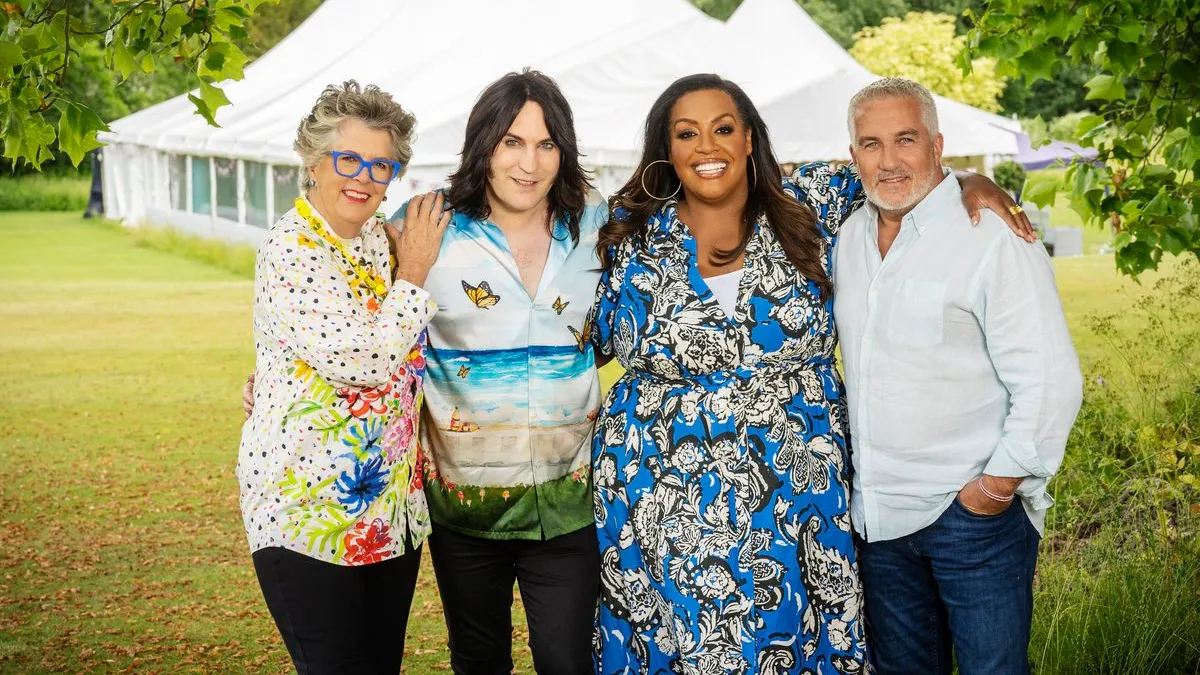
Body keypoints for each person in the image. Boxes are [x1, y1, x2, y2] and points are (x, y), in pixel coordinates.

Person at [587, 73, 1030, 674]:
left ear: (749, 139)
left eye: (723, 129)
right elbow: (593, 343)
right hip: (663, 496)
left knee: (796, 642)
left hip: (798, 494)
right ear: (667, 150)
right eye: (686, 133)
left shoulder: (811, 203)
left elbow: (901, 170)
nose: (707, 147)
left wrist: (971, 180)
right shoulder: (633, 234)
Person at [833, 78, 1083, 675]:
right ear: (853, 157)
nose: (889, 160)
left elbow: (1050, 378)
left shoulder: (993, 236)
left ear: (938, 145)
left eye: (906, 139)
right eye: (871, 144)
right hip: (878, 521)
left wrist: (993, 491)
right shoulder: (845, 238)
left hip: (970, 518)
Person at [237, 80, 450, 674]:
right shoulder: (293, 247)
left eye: (381, 165)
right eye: (348, 158)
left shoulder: (382, 244)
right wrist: (415, 275)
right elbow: (364, 363)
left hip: (388, 509)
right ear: (313, 161)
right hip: (308, 511)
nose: (363, 176)